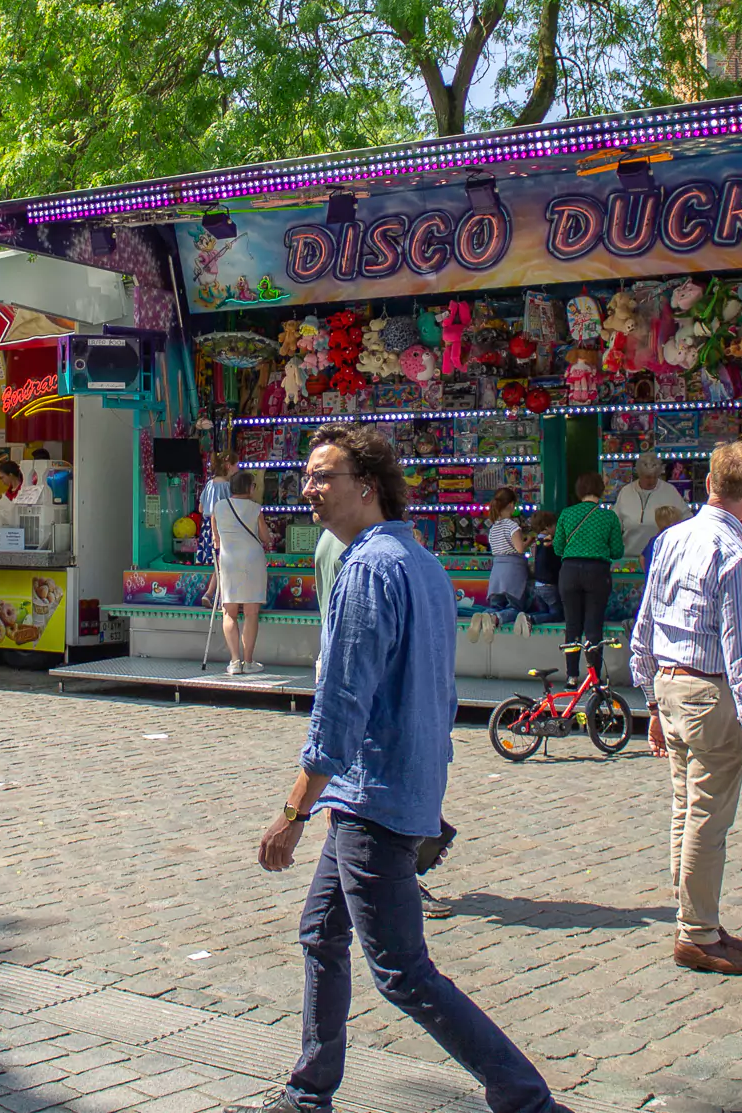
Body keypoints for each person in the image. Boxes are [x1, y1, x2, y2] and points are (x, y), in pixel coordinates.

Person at [226, 423, 571, 1113]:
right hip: (395, 783)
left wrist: (293, 811)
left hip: (373, 793)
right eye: (306, 476)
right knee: (321, 932)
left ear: (367, 485)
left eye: (323, 476)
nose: (309, 489)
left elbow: (341, 706)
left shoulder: (366, 569)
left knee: (402, 971)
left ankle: (527, 1098)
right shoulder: (420, 561)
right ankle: (308, 1092)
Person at [628, 441, 742, 975]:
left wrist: (650, 700)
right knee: (706, 819)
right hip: (709, 693)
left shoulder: (670, 538)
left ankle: (696, 918)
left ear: (709, 484)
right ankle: (696, 931)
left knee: (686, 807)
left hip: (670, 684)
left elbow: (645, 623)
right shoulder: (734, 556)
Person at [552, 473, 622, 684]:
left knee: (572, 625)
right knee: (593, 626)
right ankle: (594, 678)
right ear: (601, 490)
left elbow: (558, 548)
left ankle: (572, 676)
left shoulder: (567, 513)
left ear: (579, 490)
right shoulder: (608, 517)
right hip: (597, 572)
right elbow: (617, 551)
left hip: (569, 571)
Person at [213, 471, 269, 676]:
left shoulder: (219, 507)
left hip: (229, 561)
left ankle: (235, 661)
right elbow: (265, 537)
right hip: (253, 561)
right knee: (251, 613)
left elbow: (216, 539)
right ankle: (249, 661)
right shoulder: (256, 508)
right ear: (250, 488)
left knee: (229, 612)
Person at [613, 453, 688, 560]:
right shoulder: (626, 492)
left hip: (660, 558)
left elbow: (686, 519)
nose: (651, 481)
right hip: (629, 557)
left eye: (655, 477)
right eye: (647, 477)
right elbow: (616, 524)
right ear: (639, 474)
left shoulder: (670, 491)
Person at [484, 488, 528, 607]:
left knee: (495, 606)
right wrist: (530, 540)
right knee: (514, 608)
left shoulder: (494, 528)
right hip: (512, 573)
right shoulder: (512, 526)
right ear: (511, 504)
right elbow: (520, 549)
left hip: (497, 573)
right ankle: (499, 616)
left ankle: (488, 615)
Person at [198, 455, 235, 566]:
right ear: (228, 466)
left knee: (209, 558)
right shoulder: (228, 486)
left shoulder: (209, 484)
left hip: (207, 527)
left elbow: (200, 508)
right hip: (222, 527)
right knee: (222, 561)